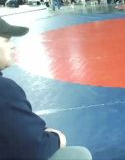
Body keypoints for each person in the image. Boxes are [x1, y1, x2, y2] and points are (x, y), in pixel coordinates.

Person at [0, 18, 92, 160]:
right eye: (6, 40)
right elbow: (35, 148)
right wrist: (57, 138)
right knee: (80, 155)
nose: (12, 45)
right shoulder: (4, 90)